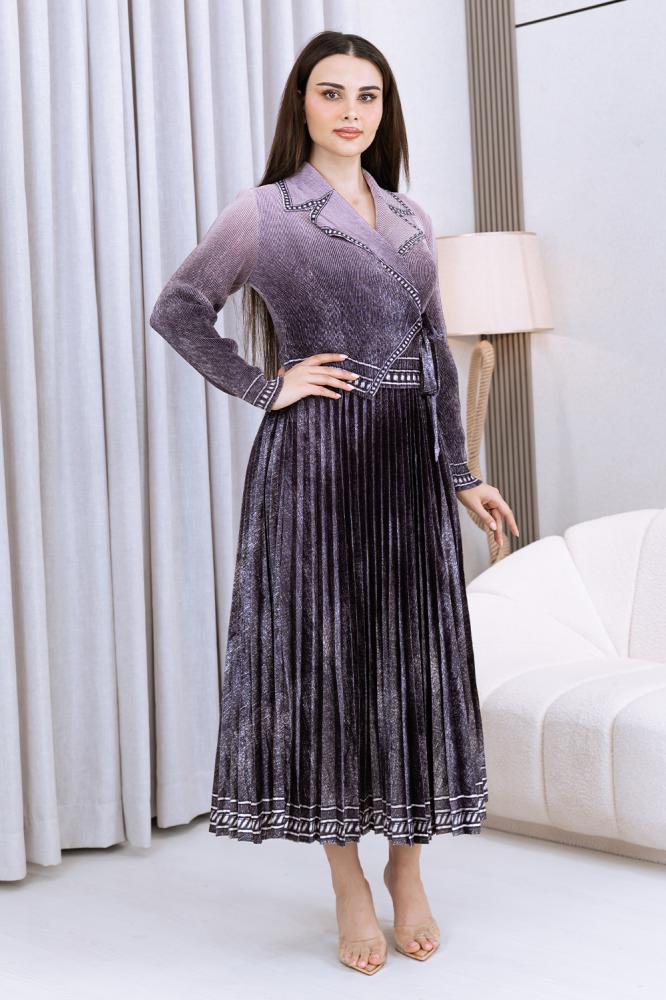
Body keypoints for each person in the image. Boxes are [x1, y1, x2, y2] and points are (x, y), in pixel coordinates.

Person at [150, 30, 518, 976]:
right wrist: (266, 385)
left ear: (384, 111)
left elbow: (435, 354)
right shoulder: (265, 212)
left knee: (412, 662)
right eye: (331, 93)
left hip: (406, 470)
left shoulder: (410, 215)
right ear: (302, 104)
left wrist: (463, 474)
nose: (351, 111)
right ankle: (348, 881)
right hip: (313, 465)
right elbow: (179, 309)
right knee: (328, 667)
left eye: (369, 96)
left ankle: (407, 868)